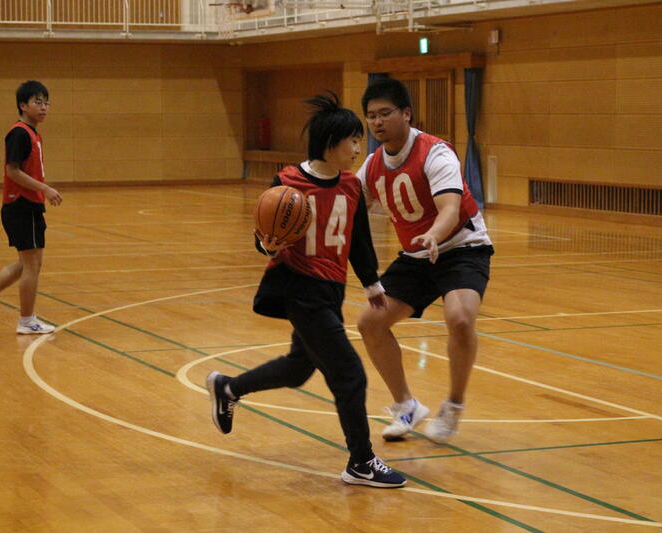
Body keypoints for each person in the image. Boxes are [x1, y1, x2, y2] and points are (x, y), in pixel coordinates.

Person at [206, 92, 406, 489]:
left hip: (331, 289)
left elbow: (359, 240)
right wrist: (268, 246)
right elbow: (265, 233)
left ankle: (228, 387)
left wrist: (372, 283)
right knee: (350, 374)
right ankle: (361, 461)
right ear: (330, 143)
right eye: (352, 141)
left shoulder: (351, 186)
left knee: (299, 368)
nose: (357, 149)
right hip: (299, 288)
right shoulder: (287, 183)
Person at [356, 77, 493, 444]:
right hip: (416, 255)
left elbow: (450, 208)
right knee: (370, 323)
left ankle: (454, 405)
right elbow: (350, 208)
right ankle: (406, 406)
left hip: (462, 246)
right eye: (371, 116)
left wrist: (433, 234)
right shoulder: (371, 166)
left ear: (406, 113)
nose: (378, 122)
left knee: (460, 319)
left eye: (385, 113)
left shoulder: (436, 152)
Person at [0, 80, 62, 334]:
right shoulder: (19, 133)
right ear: (23, 105)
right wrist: (45, 189)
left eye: (46, 103)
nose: (43, 107)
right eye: (37, 102)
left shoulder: (32, 133)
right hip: (22, 205)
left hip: (27, 206)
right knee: (32, 265)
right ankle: (26, 321)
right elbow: (13, 171)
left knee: (26, 264)